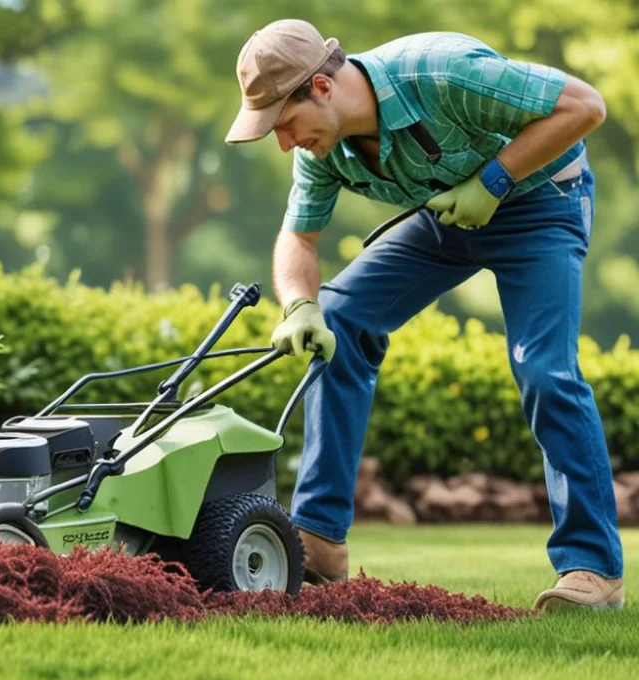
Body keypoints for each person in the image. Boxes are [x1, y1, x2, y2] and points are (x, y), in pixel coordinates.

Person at [224, 19, 623, 610]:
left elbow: (586, 106)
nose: (285, 143)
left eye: (284, 123)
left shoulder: (442, 74)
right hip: (448, 216)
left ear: (322, 88)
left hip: (541, 203)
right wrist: (300, 305)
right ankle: (320, 540)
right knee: (337, 320)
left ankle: (593, 571)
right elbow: (297, 239)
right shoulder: (323, 148)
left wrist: (495, 178)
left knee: (544, 369)